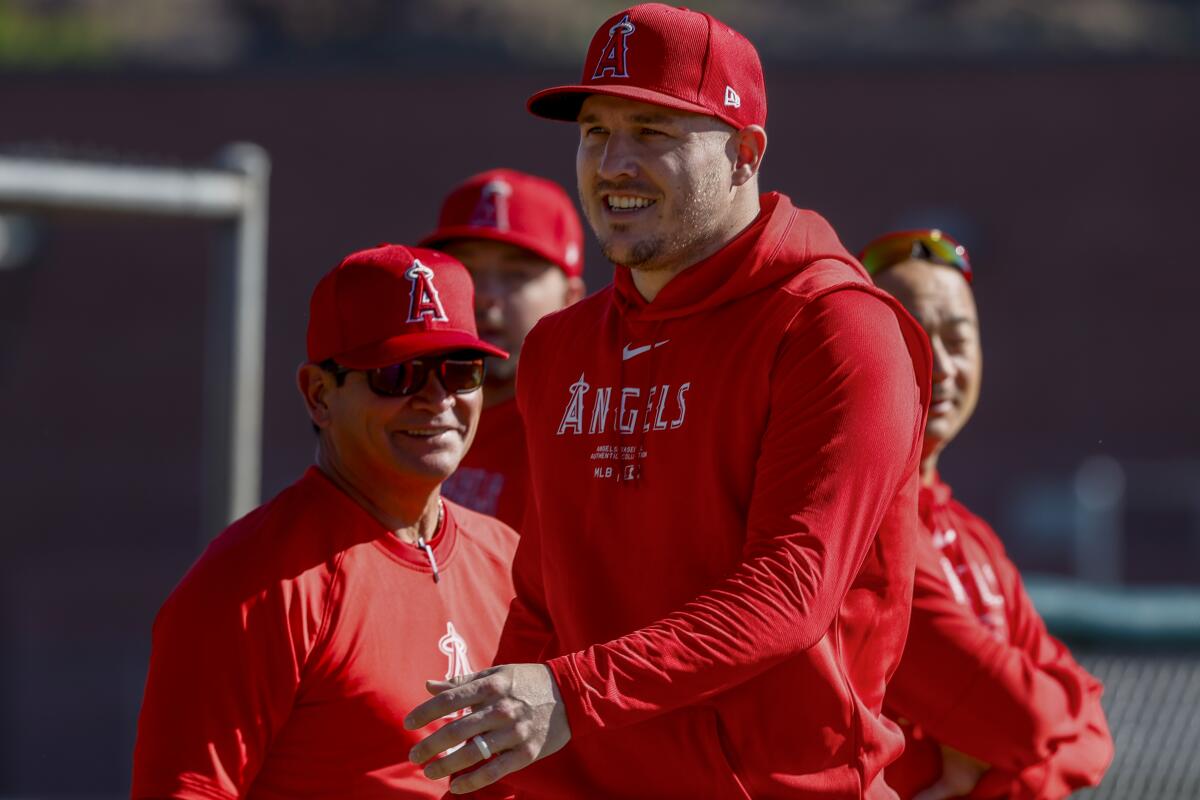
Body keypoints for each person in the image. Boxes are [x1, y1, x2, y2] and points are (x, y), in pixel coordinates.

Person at [404, 5, 933, 797]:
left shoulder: (835, 328)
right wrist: (495, 769)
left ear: (745, 154)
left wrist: (569, 695)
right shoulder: (559, 347)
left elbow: (790, 590)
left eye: (653, 133)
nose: (613, 163)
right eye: (594, 131)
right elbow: (545, 601)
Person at [131, 245, 519, 798]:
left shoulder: (507, 556)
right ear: (319, 395)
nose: (436, 399)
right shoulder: (252, 584)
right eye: (397, 374)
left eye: (461, 372)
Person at [862, 229, 1114, 799]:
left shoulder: (971, 534)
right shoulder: (864, 524)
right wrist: (1027, 760)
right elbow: (1020, 721)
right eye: (916, 336)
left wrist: (995, 780)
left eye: (958, 337)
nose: (943, 365)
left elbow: (1094, 730)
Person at [421, 168, 586, 530]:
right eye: (466, 268)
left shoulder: (589, 435)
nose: (484, 295)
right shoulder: (401, 412)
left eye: (516, 273)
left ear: (571, 298)